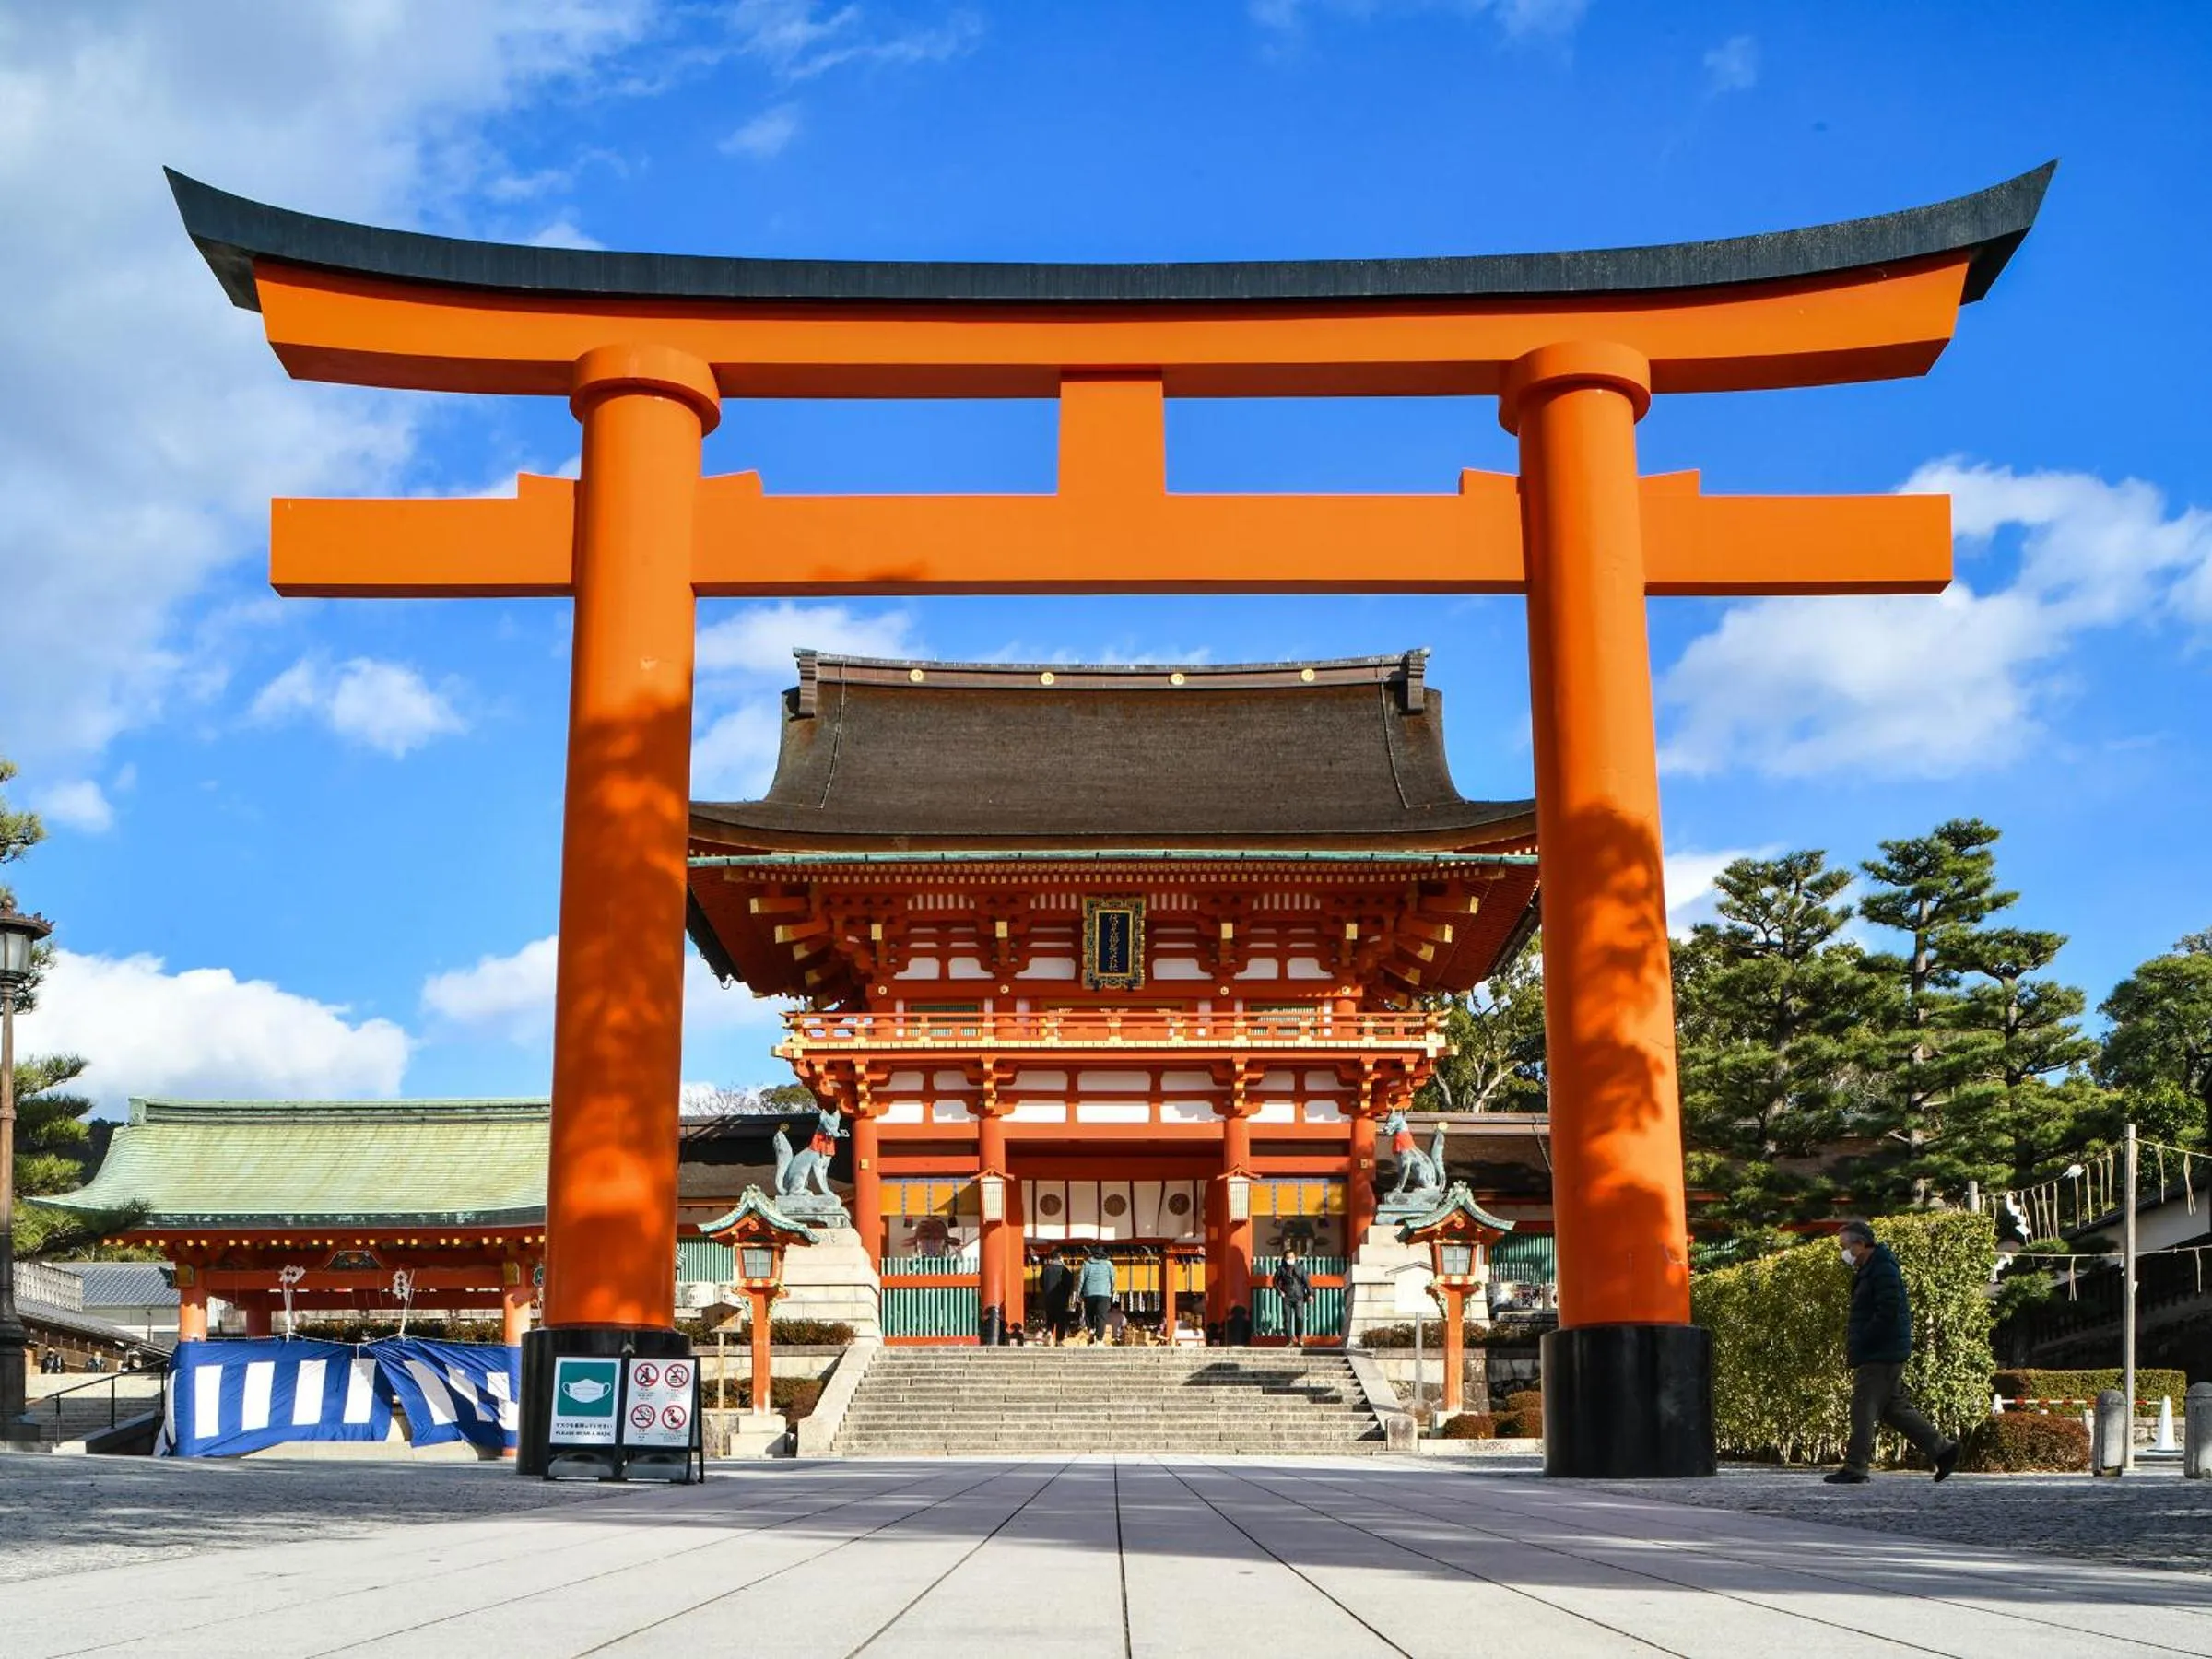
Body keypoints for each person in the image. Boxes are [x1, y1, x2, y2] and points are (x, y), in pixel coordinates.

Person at [1827, 1219, 1959, 1485]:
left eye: (1845, 1247)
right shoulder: (1872, 1268)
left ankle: (1856, 1466)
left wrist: (1866, 1339)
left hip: (1880, 1351)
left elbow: (1887, 1309)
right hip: (1883, 1349)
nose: (1844, 1253)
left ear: (1861, 1244)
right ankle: (1943, 1449)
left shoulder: (1882, 1268)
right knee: (1894, 1409)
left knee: (1862, 1408)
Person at [1271, 1247, 1313, 1347]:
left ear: (1295, 1257)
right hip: (1287, 1296)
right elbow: (1275, 1282)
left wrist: (1310, 1294)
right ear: (1285, 1259)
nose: (1291, 1259)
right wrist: (1279, 1291)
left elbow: (1306, 1282)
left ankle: (1300, 1338)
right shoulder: (1281, 1269)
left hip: (1299, 1296)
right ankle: (1289, 1339)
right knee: (1287, 1319)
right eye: (1288, 1257)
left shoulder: (1301, 1267)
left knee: (1300, 1317)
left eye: (1292, 1257)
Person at [1077, 1248, 1117, 1344]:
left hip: (1089, 1293)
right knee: (1101, 1316)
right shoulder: (1108, 1264)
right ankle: (1099, 1340)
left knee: (1089, 1314)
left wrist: (1079, 1294)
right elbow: (1113, 1279)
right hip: (1104, 1294)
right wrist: (1111, 1290)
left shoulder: (1086, 1264)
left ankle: (1091, 1329)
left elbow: (1081, 1280)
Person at [1038, 1251, 1075, 1346]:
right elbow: (1070, 1284)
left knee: (1050, 1318)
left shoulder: (1046, 1270)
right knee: (1060, 1320)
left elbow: (1041, 1283)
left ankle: (1049, 1332)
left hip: (1048, 1298)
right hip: (1061, 1299)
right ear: (1060, 1258)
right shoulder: (1064, 1270)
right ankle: (1059, 1340)